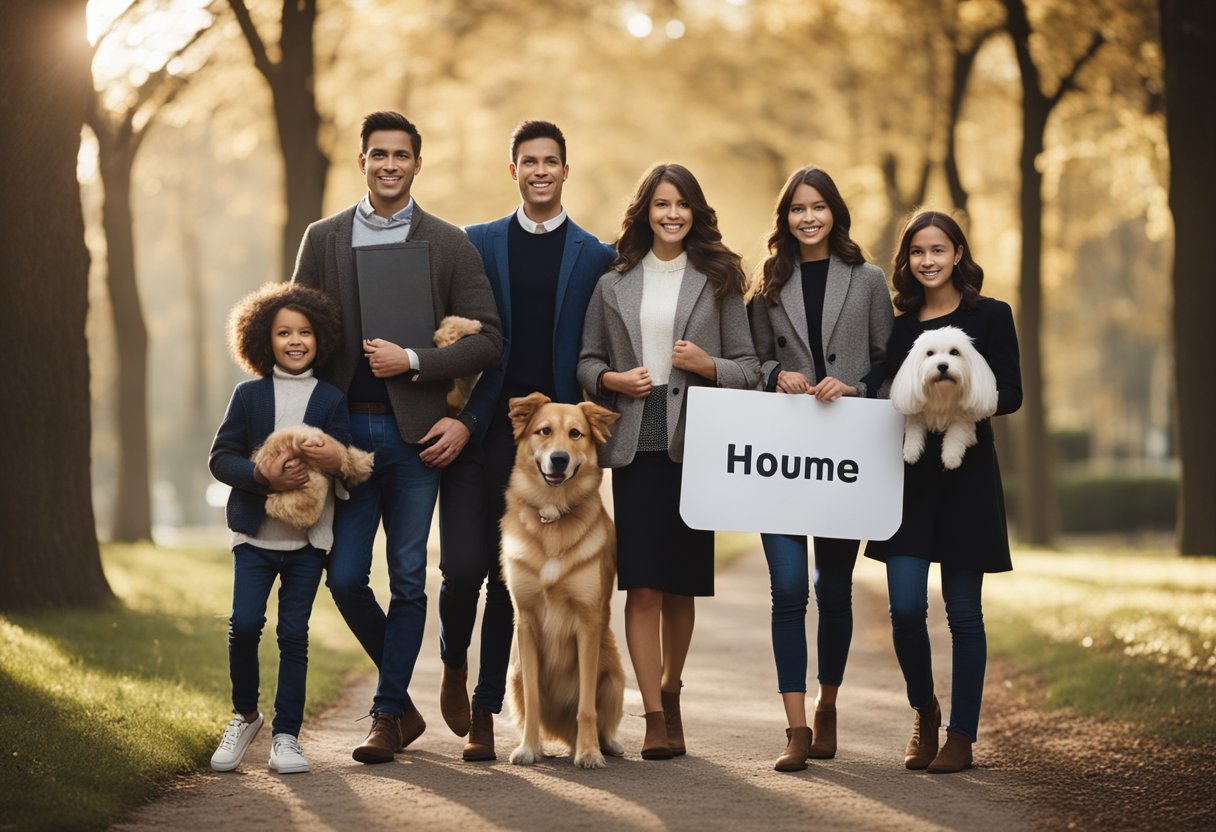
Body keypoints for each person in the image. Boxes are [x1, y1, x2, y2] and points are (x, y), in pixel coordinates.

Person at [291, 111, 503, 764]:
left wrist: (413, 362)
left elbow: (488, 340)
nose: (389, 165)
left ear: (417, 163)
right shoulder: (323, 238)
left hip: (415, 441)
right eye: (378, 154)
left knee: (408, 578)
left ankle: (387, 716)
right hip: (347, 439)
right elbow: (294, 335)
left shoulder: (448, 244)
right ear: (362, 161)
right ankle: (402, 704)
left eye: (401, 155)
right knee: (348, 578)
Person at [431, 120, 616, 762]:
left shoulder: (595, 256)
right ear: (512, 170)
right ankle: (454, 665)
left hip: (554, 451)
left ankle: (486, 711)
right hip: (482, 430)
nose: (540, 171)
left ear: (567, 170)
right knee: (461, 569)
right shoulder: (475, 243)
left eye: (551, 161)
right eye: (528, 162)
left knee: (522, 583)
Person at [578, 163, 760, 760]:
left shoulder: (719, 279)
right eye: (661, 204)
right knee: (644, 586)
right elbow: (586, 362)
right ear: (645, 212)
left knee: (681, 587)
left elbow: (750, 367)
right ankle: (653, 717)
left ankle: (672, 690)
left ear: (695, 211)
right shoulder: (613, 283)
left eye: (681, 204)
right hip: (635, 446)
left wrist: (710, 367)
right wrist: (610, 379)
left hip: (695, 444)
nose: (672, 214)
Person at [864, 210, 1022, 773]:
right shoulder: (901, 324)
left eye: (938, 249)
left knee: (964, 613)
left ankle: (962, 734)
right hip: (907, 481)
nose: (927, 260)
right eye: (916, 252)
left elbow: (1012, 393)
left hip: (968, 477)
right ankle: (924, 710)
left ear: (958, 253)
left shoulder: (992, 315)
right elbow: (885, 386)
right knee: (905, 609)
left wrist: (967, 398)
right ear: (906, 260)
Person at [747, 167, 894, 772]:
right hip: (781, 456)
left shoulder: (868, 281)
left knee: (831, 588)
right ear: (785, 218)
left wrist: (857, 386)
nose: (808, 218)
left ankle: (829, 704)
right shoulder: (765, 286)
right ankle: (797, 726)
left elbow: (892, 363)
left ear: (835, 213)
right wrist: (771, 374)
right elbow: (749, 359)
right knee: (787, 589)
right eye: (797, 209)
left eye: (818, 207)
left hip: (844, 457)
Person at [208, 282, 353, 775]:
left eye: (305, 332)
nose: (295, 341)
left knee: (294, 634)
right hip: (254, 537)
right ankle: (246, 715)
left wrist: (333, 459)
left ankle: (287, 737)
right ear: (263, 341)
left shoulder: (331, 399)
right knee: (245, 625)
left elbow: (347, 462)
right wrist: (259, 475)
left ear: (321, 339)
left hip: (308, 543)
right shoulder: (248, 396)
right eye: (283, 332)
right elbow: (220, 458)